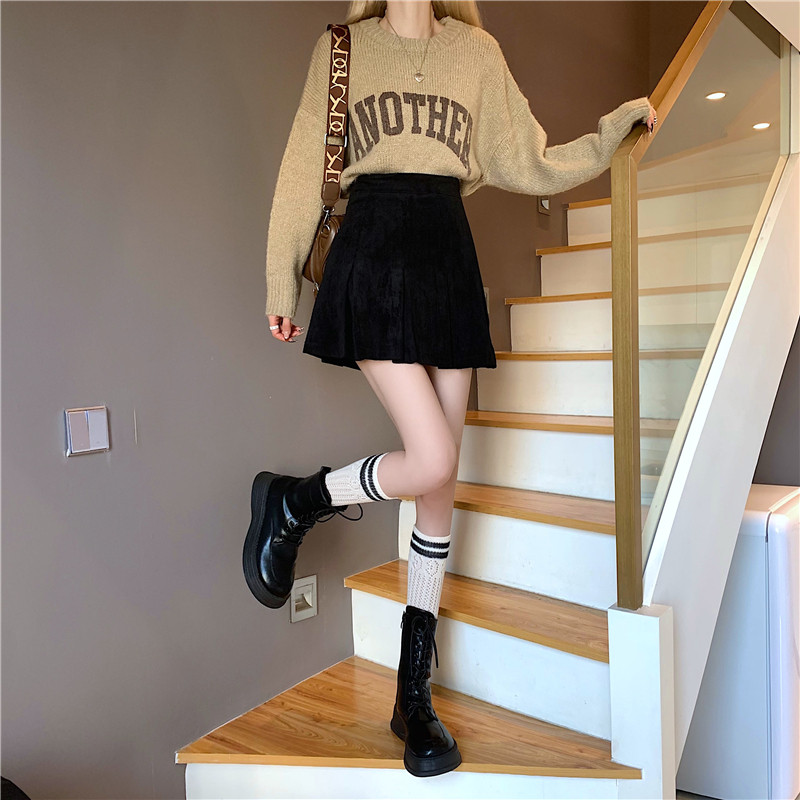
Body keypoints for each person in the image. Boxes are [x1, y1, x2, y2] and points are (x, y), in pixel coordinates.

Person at [244, 0, 657, 779]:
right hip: (371, 252)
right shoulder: (343, 49)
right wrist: (280, 281)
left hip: (447, 260)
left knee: (440, 487)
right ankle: (298, 501)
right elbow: (302, 169)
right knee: (429, 458)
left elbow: (529, 159)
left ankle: (412, 691)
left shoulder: (477, 53)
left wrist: (613, 133)